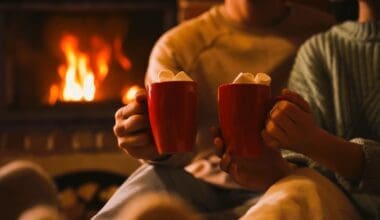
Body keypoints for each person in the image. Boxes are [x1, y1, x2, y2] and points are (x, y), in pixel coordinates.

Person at [92, 0, 335, 219]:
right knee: (147, 181)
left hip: (286, 180)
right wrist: (148, 141)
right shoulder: (179, 45)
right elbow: (172, 153)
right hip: (201, 183)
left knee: (299, 194)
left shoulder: (324, 37)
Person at [218, 0, 380, 219]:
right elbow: (304, 171)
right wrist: (276, 169)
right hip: (334, 204)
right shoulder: (322, 51)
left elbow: (314, 148)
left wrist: (317, 142)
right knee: (295, 192)